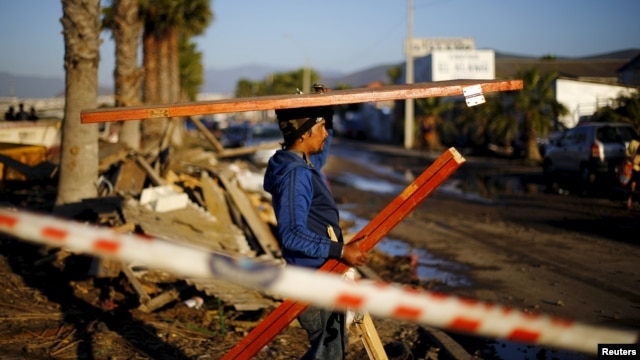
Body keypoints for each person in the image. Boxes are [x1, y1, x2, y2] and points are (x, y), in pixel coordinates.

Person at [263, 103, 370, 359]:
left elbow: (319, 156)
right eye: (321, 129)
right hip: (313, 278)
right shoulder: (295, 174)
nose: (325, 135)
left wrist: (327, 114)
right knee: (328, 354)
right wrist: (341, 250)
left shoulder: (299, 162)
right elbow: (292, 233)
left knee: (330, 350)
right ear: (303, 135)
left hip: (321, 274)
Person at [626, 138, 640, 209]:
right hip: (634, 168)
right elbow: (627, 153)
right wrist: (631, 158)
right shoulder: (634, 143)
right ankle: (630, 199)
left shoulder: (633, 142)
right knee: (632, 185)